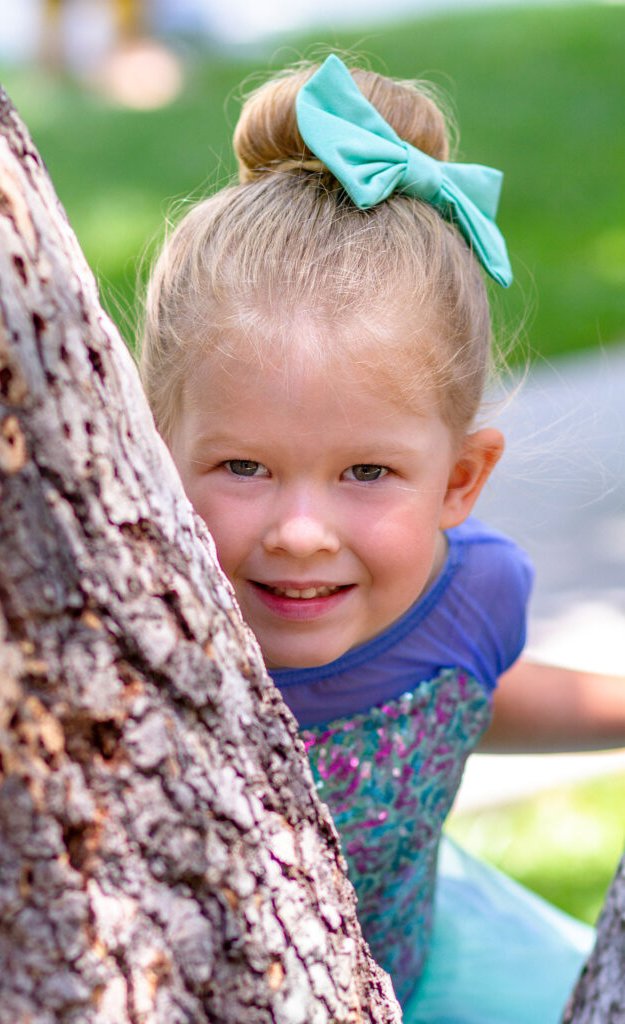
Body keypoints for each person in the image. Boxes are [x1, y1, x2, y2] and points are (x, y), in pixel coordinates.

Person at [140, 54, 624, 1022]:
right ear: (147, 457)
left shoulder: (475, 592)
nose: (302, 531)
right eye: (243, 467)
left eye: (365, 473)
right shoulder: (134, 629)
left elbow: (448, 691)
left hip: (410, 973)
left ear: (458, 481)